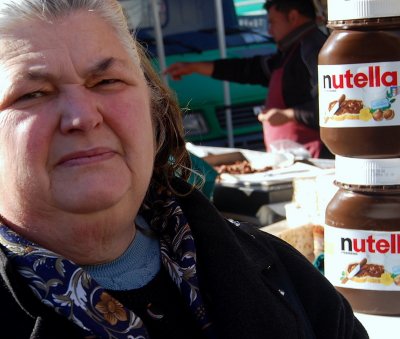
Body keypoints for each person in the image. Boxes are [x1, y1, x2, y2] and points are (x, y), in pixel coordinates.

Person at [0, 1, 367, 338]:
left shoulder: (279, 273)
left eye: (106, 82)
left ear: (153, 108)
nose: (83, 116)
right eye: (33, 94)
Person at [164, 0, 332, 159]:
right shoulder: (291, 50)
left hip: (317, 157)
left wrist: (289, 115)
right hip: (295, 155)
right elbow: (250, 70)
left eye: (272, 22)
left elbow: (332, 106)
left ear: (293, 17)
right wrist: (196, 67)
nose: (269, 31)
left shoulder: (312, 49)